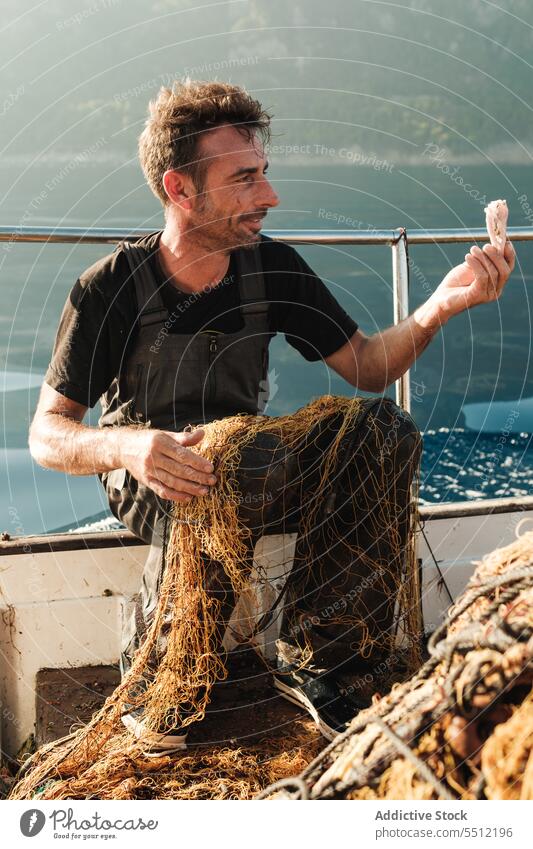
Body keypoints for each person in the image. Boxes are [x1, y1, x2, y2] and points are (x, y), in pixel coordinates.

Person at [29, 80, 516, 754]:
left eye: (265, 174)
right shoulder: (109, 286)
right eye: (245, 178)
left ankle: (324, 657)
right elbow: (48, 435)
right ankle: (168, 661)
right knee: (220, 466)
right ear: (179, 189)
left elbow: (368, 367)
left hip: (250, 460)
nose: (269, 196)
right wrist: (131, 447)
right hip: (153, 478)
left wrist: (439, 305)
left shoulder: (273, 268)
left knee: (380, 430)